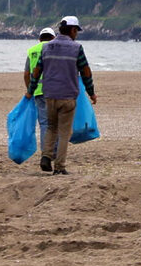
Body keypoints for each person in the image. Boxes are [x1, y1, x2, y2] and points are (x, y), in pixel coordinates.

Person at [25, 16, 96, 175]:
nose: (76, 33)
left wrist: (31, 90)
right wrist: (91, 92)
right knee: (64, 132)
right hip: (68, 96)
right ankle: (59, 166)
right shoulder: (76, 48)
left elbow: (36, 72)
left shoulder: (46, 47)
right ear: (72, 30)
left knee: (51, 127)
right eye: (76, 30)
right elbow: (85, 71)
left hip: (49, 95)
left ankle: (46, 156)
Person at [23, 27, 56, 162]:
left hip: (38, 92)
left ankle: (45, 153)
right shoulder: (55, 49)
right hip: (55, 90)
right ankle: (54, 151)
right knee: (56, 122)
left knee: (44, 123)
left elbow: (26, 74)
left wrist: (30, 90)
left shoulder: (32, 51)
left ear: (39, 39)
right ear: (53, 38)